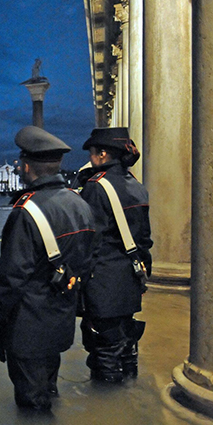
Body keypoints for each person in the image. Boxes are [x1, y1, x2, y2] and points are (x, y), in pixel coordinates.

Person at [0, 126, 95, 411]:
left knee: (32, 403)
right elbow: (88, 257)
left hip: (28, 326)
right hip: (61, 317)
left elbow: (10, 278)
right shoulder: (79, 203)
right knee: (47, 388)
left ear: (26, 166)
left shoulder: (26, 212)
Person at [78, 127, 152, 382]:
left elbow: (89, 242)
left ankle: (106, 409)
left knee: (103, 350)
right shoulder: (137, 186)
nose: (90, 159)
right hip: (130, 278)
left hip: (104, 282)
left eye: (92, 153)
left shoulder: (96, 187)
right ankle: (130, 398)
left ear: (102, 154)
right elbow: (145, 239)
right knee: (126, 342)